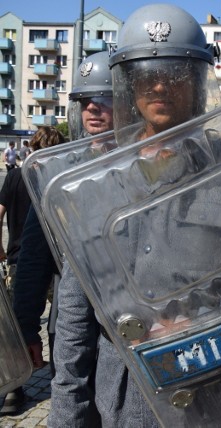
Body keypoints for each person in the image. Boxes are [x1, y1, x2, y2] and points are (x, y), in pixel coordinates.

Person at [48, 4, 221, 426]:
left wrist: (202, 318)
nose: (160, 85)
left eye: (176, 74)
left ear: (197, 82)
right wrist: (67, 416)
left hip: (216, 396)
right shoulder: (96, 184)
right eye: (147, 75)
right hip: (125, 403)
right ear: (129, 84)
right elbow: (75, 317)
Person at [9, 51, 116, 416]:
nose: (92, 110)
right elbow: (34, 255)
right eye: (85, 101)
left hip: (128, 322)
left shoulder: (145, 159)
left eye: (104, 100)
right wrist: (26, 328)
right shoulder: (58, 171)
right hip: (70, 321)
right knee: (73, 407)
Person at [0, 126, 65, 415]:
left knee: (22, 322)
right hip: (47, 263)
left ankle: (15, 390)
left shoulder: (14, 176)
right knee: (57, 321)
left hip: (18, 257)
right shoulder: (53, 178)